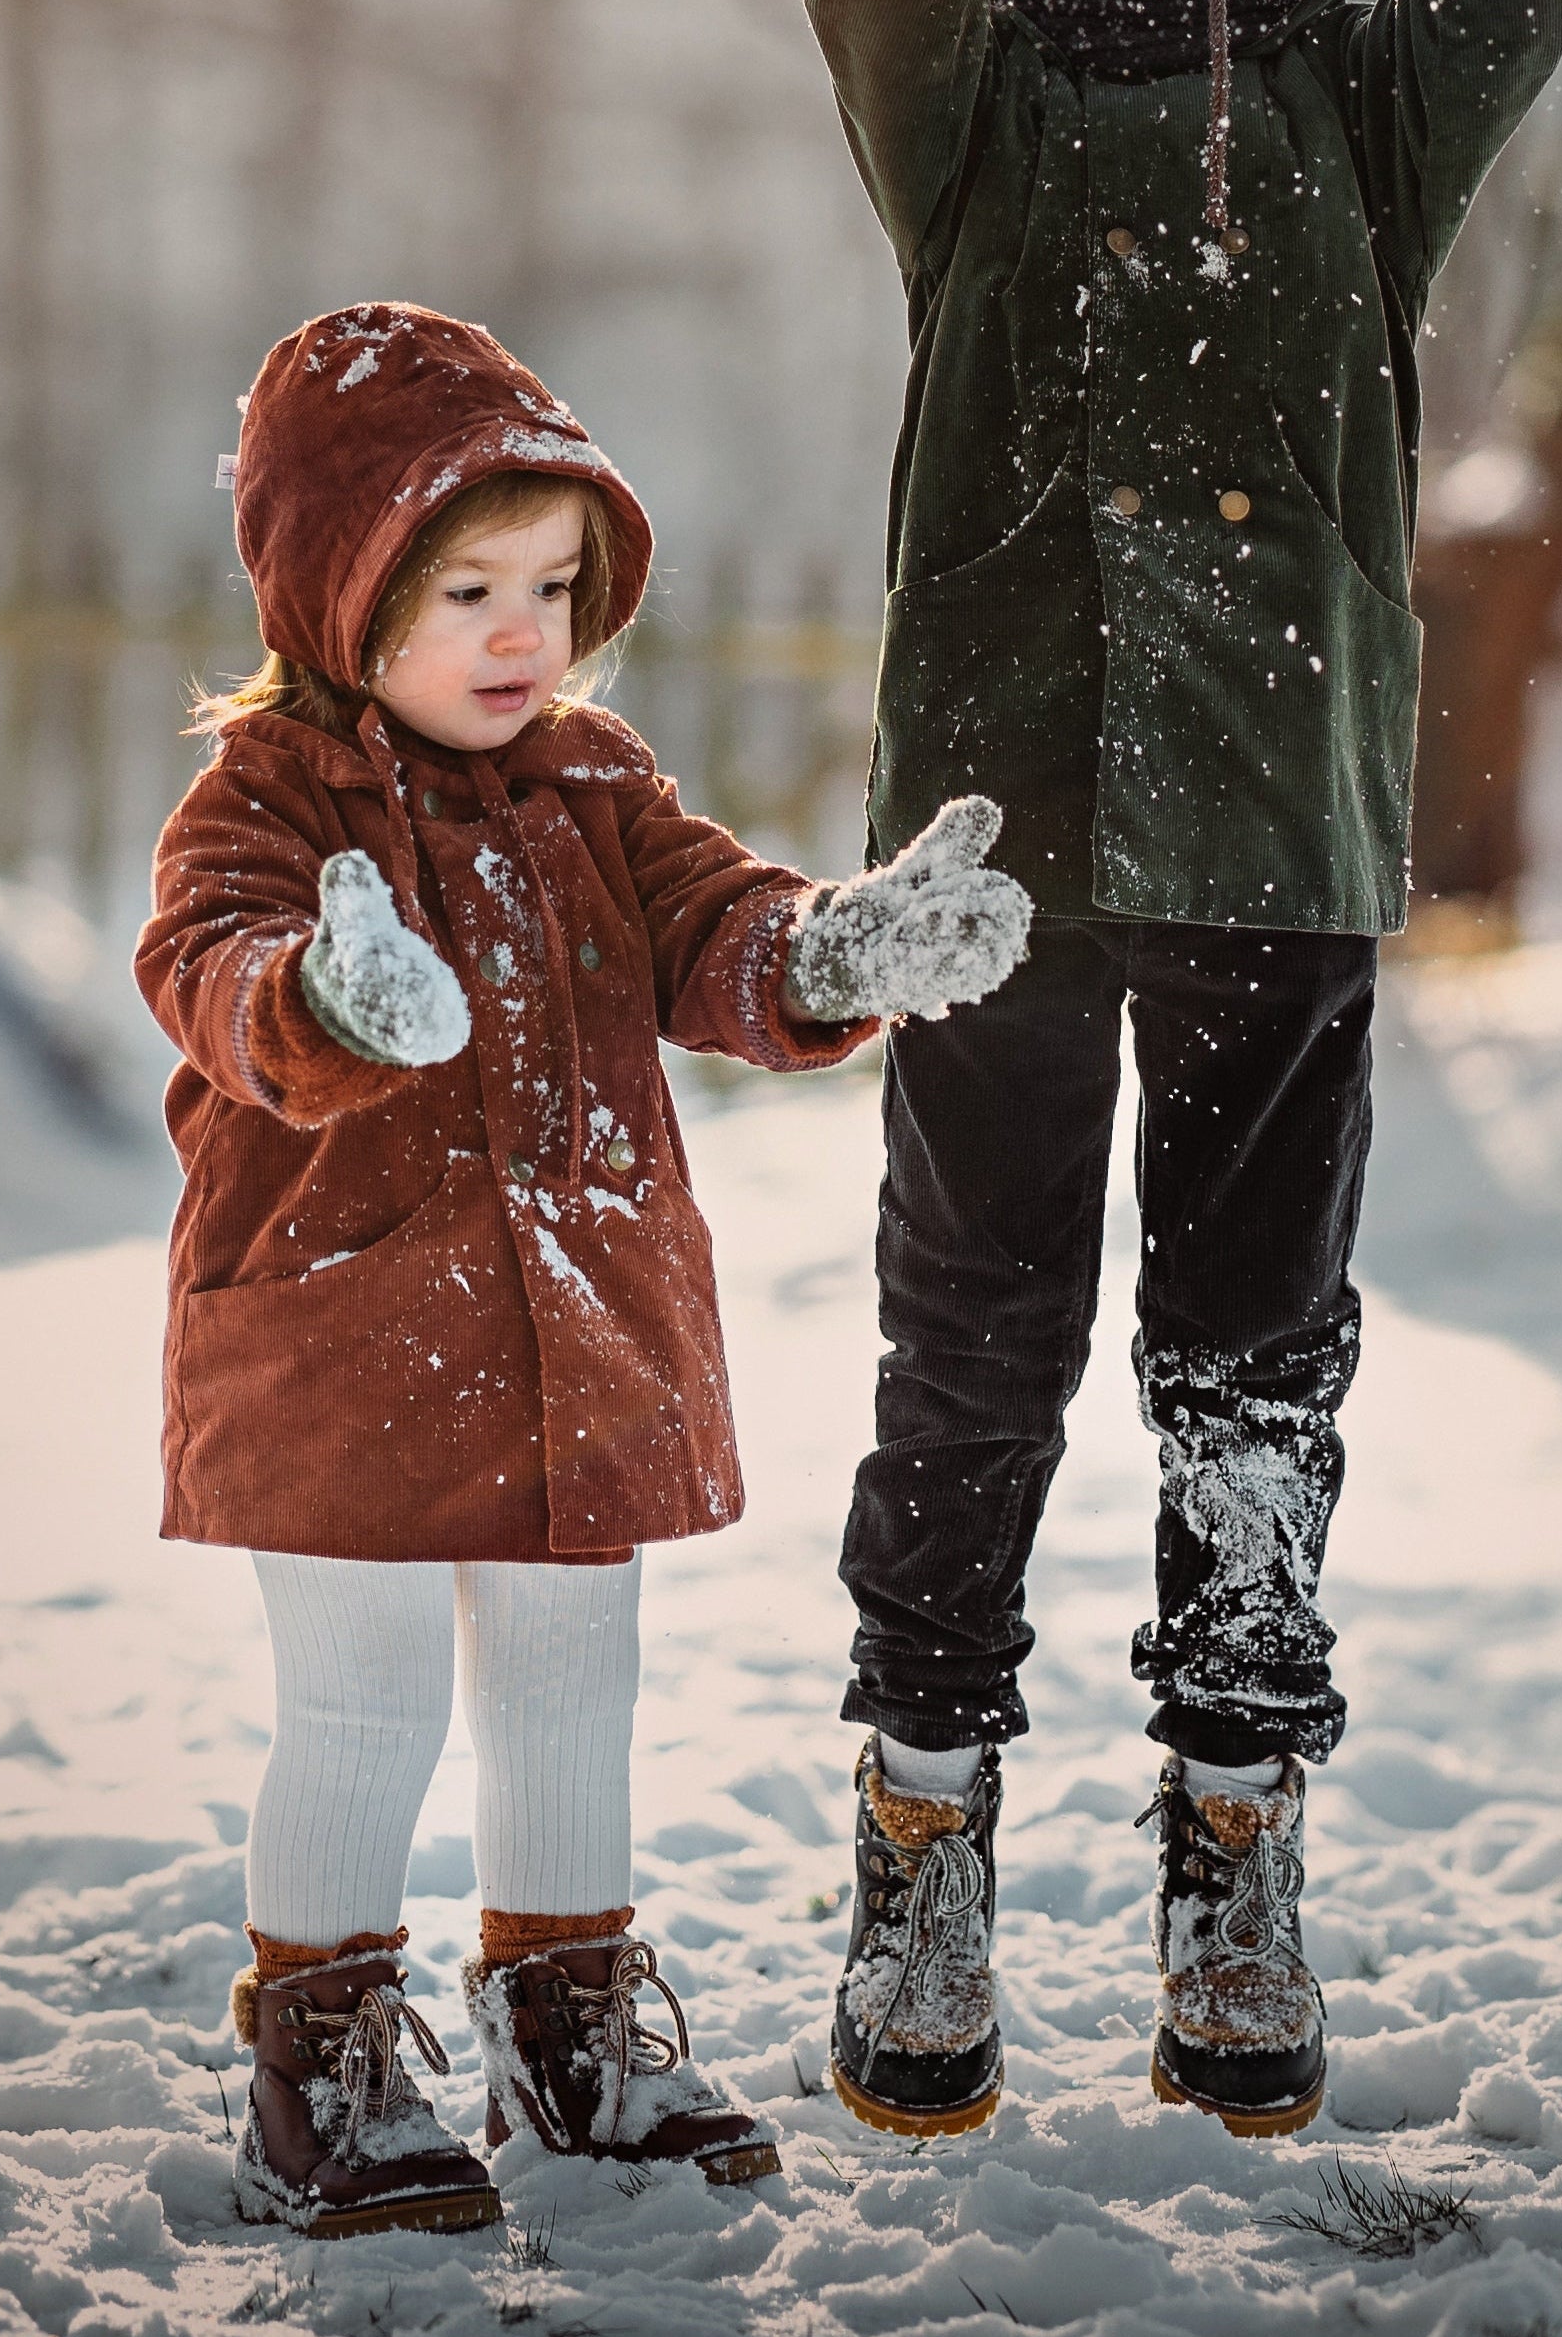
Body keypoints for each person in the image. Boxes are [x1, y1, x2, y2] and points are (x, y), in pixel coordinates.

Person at [806, 0, 1562, 2137]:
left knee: (1251, 1368)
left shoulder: (1355, 109)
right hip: (1000, 850)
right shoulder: (963, 113)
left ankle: (1233, 1839)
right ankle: (922, 1830)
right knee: (975, 1348)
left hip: (1281, 834)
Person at [141, 299, 1028, 2233]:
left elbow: (712, 924)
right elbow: (205, 972)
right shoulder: (269, 803)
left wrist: (830, 955)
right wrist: (322, 994)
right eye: (465, 589)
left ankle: (572, 2029)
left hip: (581, 1324)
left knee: (567, 1695)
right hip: (341, 1335)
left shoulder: (594, 780)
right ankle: (325, 2057)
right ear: (339, 591)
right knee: (364, 1705)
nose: (523, 633)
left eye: (552, 584)